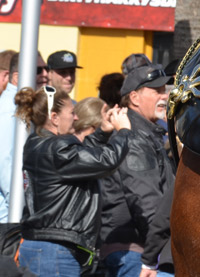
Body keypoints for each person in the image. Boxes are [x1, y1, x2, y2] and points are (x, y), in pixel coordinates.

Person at [14, 85, 131, 276]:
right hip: (55, 251)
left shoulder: (36, 143)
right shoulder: (58, 148)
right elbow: (106, 161)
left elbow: (83, 160)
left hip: (40, 245)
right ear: (54, 117)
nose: (76, 118)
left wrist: (103, 132)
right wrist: (124, 131)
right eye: (72, 112)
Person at [99, 65, 174, 277]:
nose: (165, 96)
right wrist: (163, 249)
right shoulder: (134, 138)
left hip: (143, 250)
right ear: (134, 98)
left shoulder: (147, 134)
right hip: (136, 253)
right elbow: (147, 202)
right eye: (157, 91)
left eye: (165, 90)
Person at [0, 52, 48, 223]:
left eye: (46, 69)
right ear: (16, 76)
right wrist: (16, 214)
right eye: (38, 70)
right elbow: (5, 164)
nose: (45, 75)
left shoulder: (19, 109)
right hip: (7, 217)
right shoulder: (9, 111)